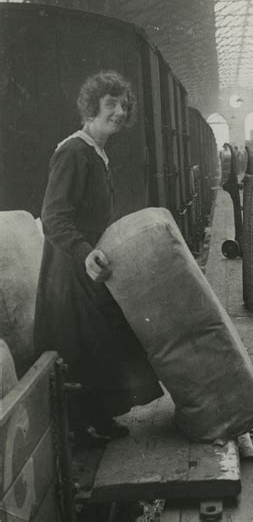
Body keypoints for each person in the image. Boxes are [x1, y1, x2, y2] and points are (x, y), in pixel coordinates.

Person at [34, 70, 163, 445]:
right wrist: (84, 253)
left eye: (124, 105)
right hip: (68, 267)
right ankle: (78, 428)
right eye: (111, 104)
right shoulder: (73, 152)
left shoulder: (97, 152)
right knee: (81, 345)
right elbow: (54, 215)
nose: (120, 112)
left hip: (89, 262)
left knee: (103, 344)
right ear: (92, 108)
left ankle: (101, 417)